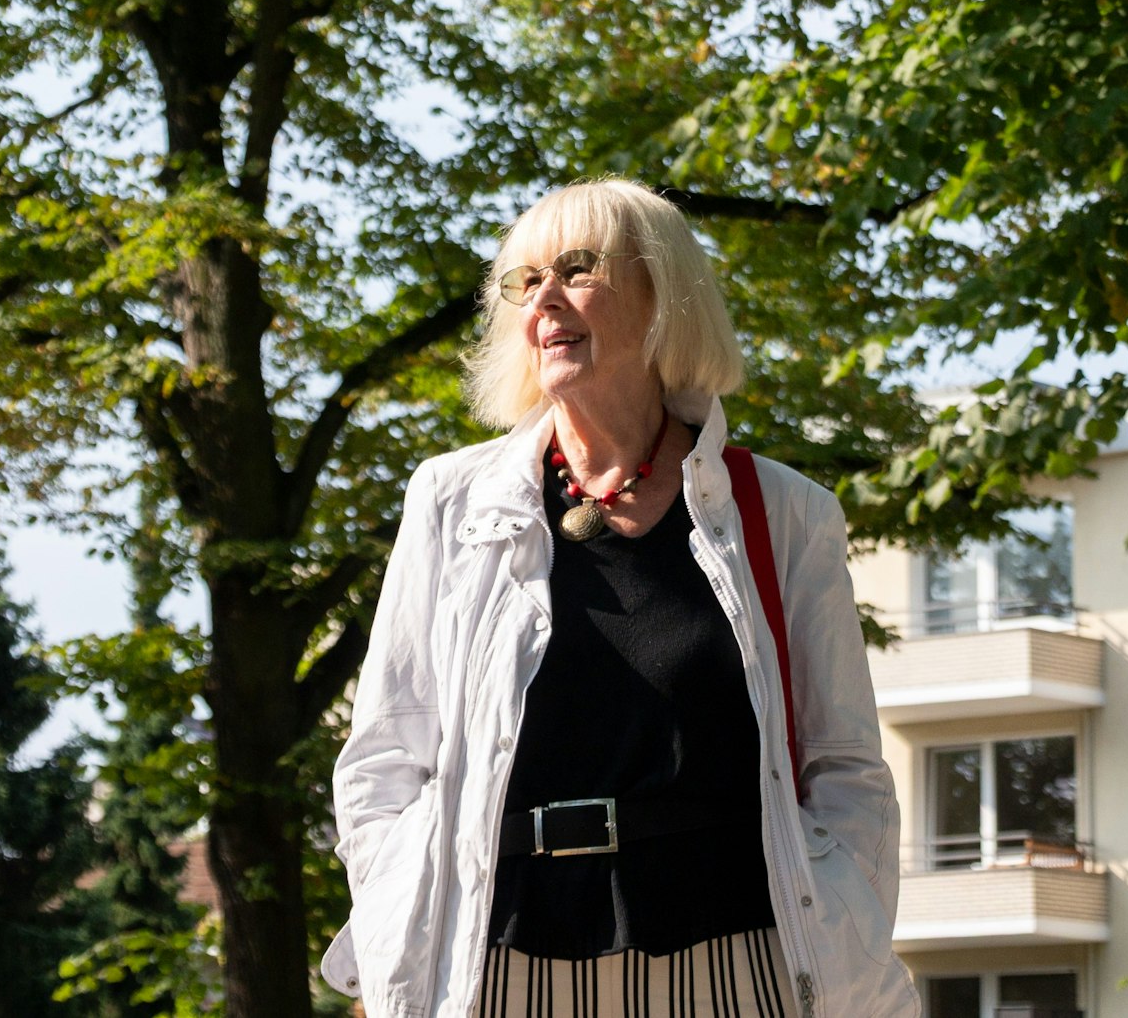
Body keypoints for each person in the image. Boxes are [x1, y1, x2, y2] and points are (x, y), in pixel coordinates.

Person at [323, 178, 919, 1018]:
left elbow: (844, 765)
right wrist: (395, 918)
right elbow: (385, 758)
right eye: (524, 281)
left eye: (577, 268)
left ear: (660, 294)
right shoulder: (451, 503)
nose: (546, 300)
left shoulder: (785, 513)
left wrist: (845, 918)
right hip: (500, 964)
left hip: (736, 962)